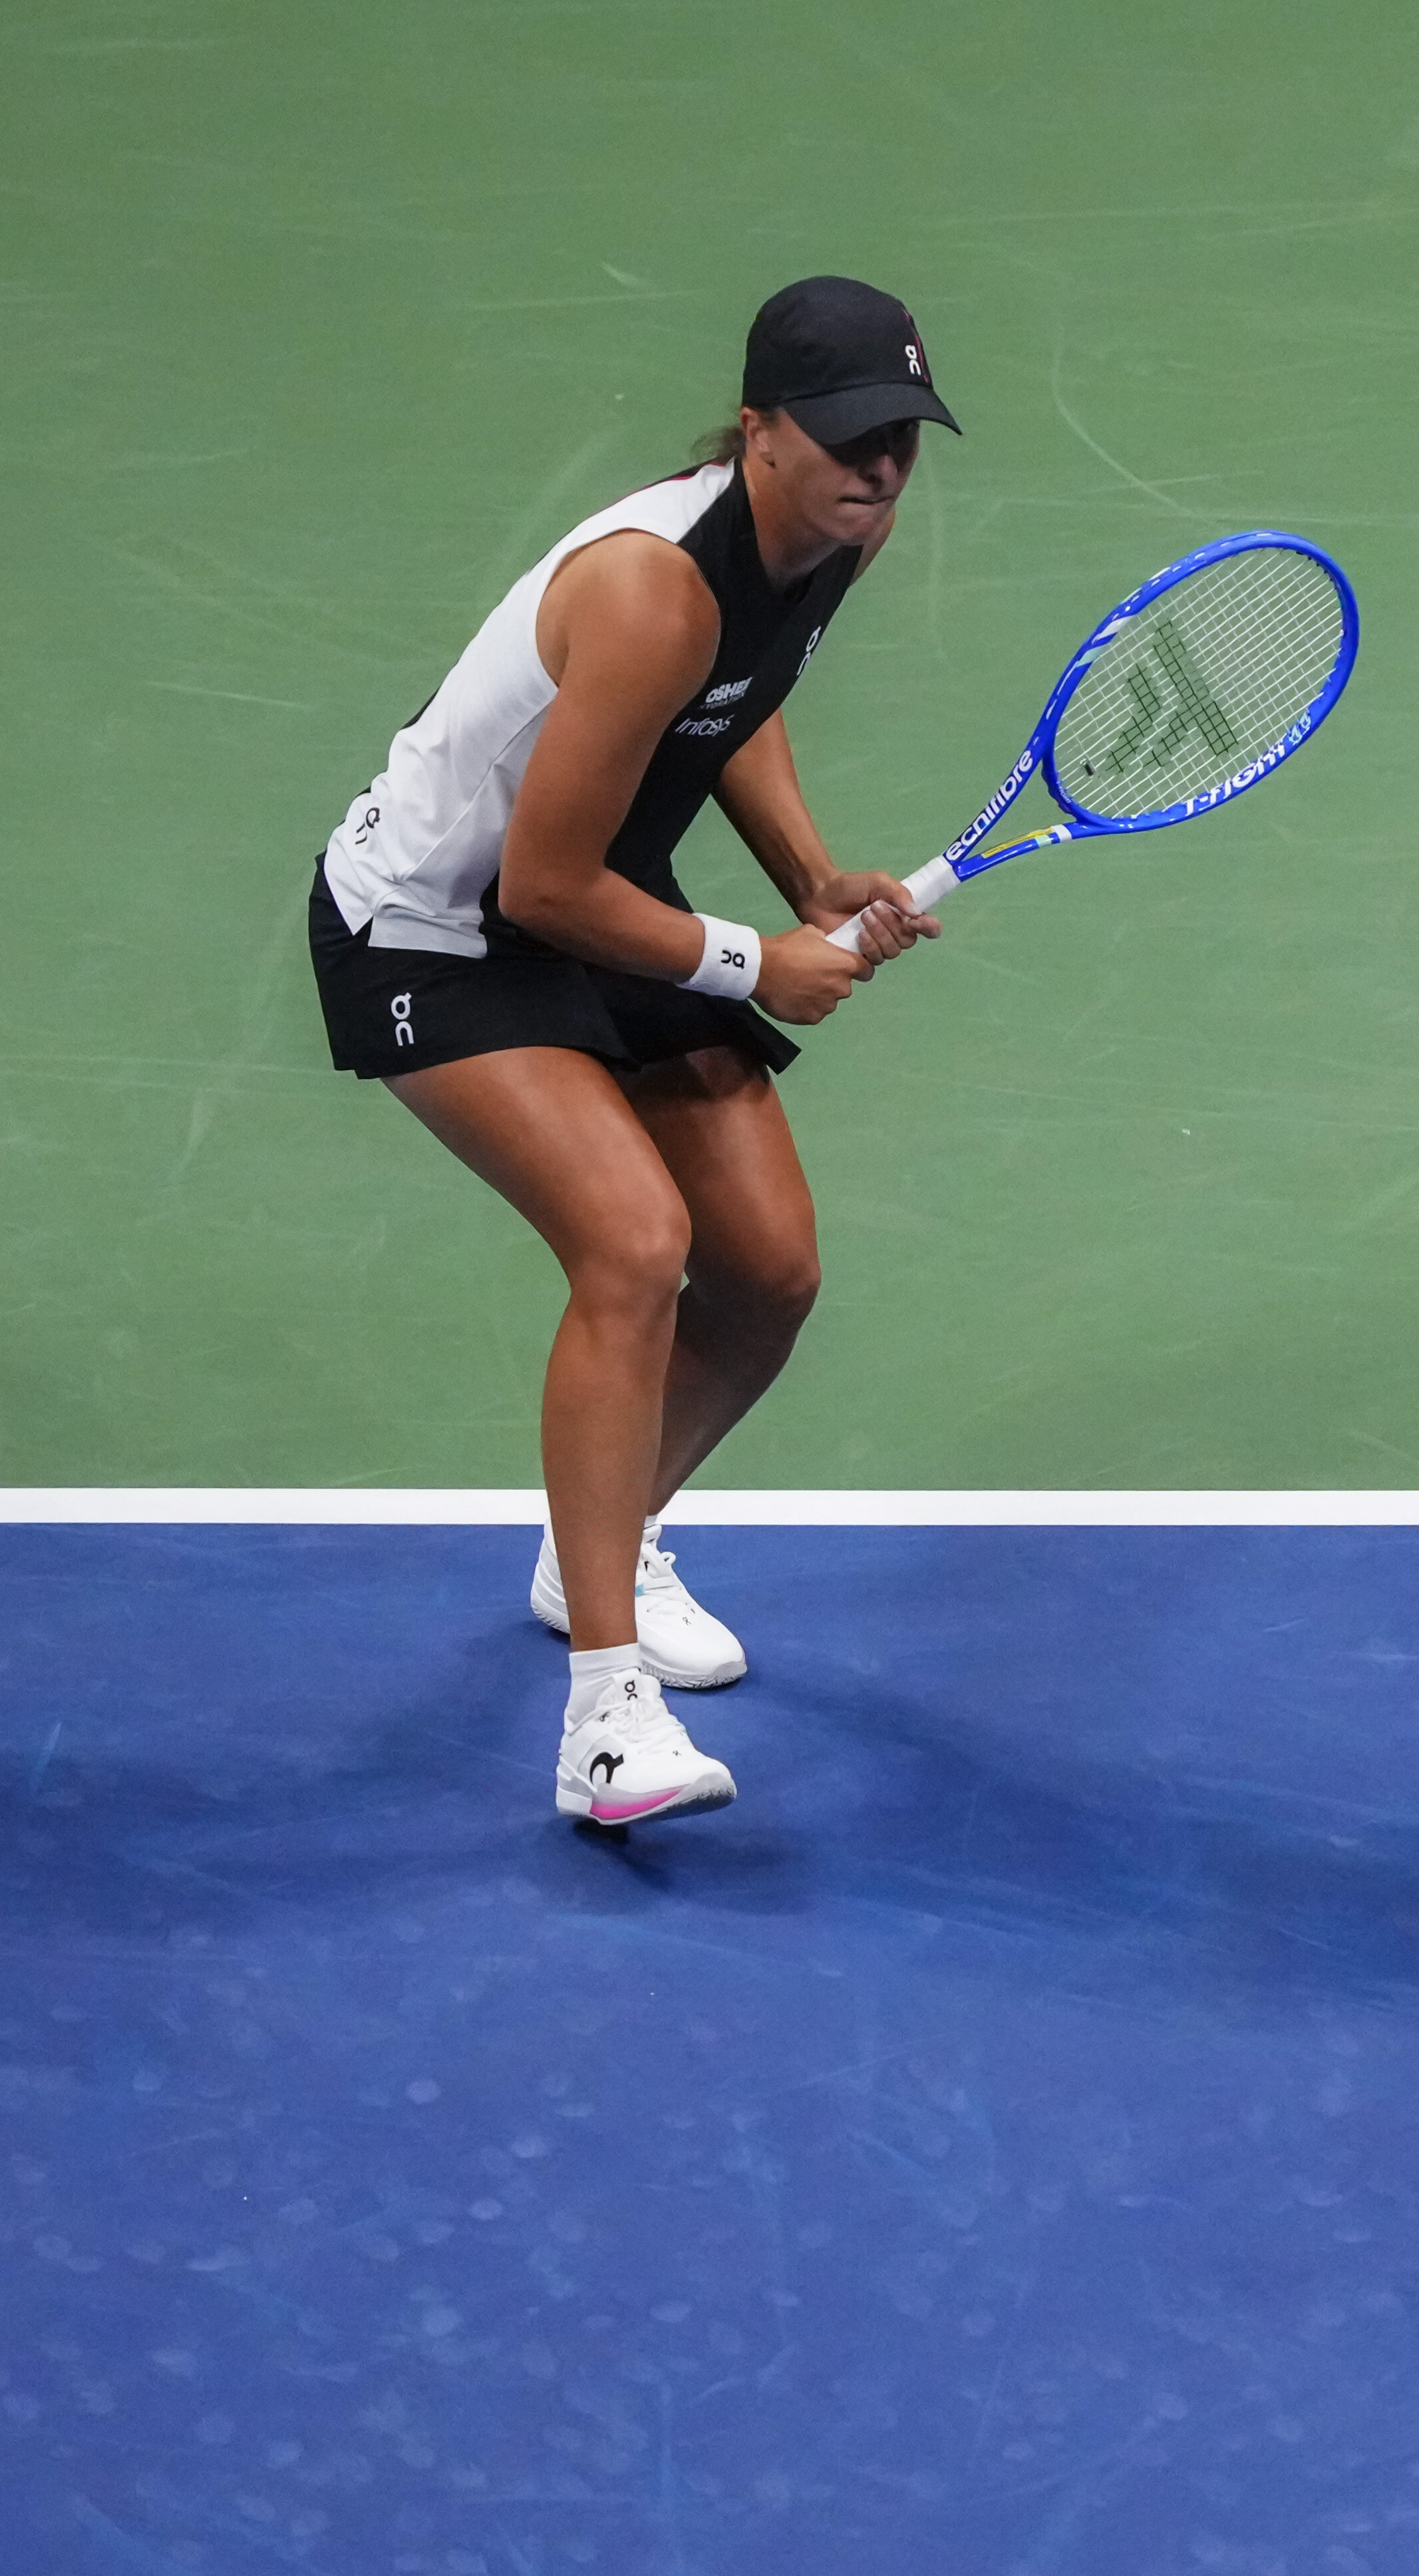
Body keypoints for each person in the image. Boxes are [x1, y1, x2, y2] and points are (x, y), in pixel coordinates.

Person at [307, 277, 955, 1829]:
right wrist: (758, 960)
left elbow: (734, 705)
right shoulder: (651, 584)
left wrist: (806, 872)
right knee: (634, 1241)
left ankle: (593, 1534)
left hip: (600, 895)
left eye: (904, 442)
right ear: (760, 433)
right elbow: (537, 885)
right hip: (441, 929)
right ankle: (605, 1715)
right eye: (851, 437)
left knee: (770, 1272)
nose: (882, 470)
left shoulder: (826, 538)